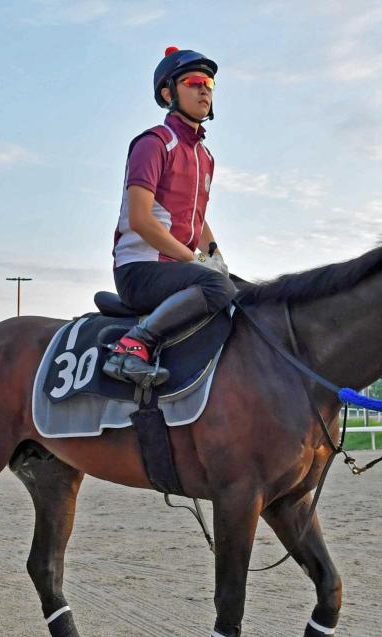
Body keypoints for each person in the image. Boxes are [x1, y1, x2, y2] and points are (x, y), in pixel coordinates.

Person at [103, 46, 238, 386]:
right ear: (167, 93)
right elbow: (140, 219)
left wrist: (216, 256)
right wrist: (194, 260)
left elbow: (198, 217)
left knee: (238, 288)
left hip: (179, 270)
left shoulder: (205, 156)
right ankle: (133, 346)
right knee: (216, 285)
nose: (204, 89)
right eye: (194, 81)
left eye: (208, 82)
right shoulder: (153, 143)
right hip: (141, 270)